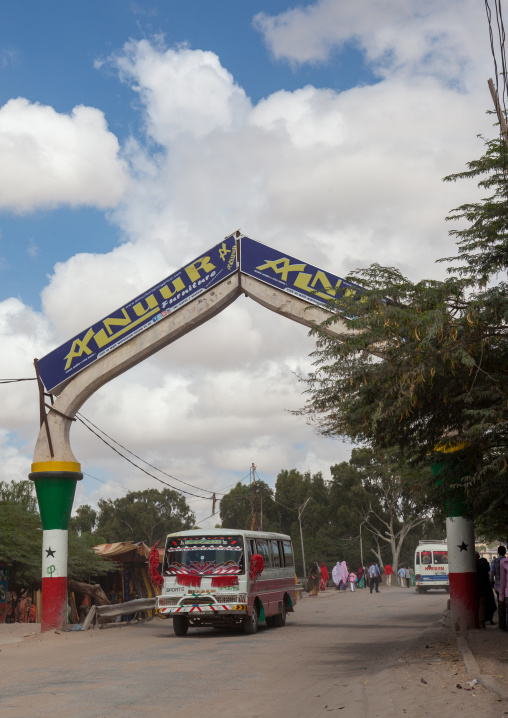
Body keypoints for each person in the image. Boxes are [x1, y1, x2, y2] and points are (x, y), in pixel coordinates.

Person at [476, 552, 496, 628]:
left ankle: (478, 621)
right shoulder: (484, 564)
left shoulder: (471, 564)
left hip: (475, 588)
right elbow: (489, 573)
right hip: (484, 588)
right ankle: (481, 622)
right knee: (483, 605)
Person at [490, 545, 507, 631]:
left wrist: (491, 582)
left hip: (498, 586)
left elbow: (491, 573)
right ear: (505, 552)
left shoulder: (495, 561)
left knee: (500, 605)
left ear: (498, 552)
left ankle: (502, 625)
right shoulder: (506, 561)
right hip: (507, 588)